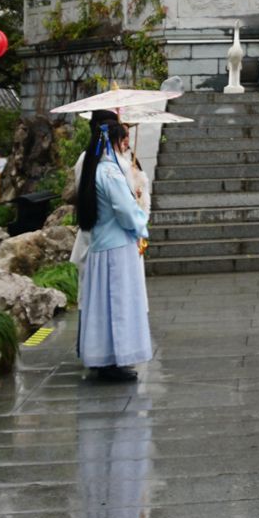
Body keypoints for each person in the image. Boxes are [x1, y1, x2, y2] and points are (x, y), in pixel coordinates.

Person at [74, 112, 153, 382]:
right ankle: (116, 357)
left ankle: (105, 356)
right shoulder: (109, 172)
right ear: (112, 141)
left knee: (102, 306)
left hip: (101, 245)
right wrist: (141, 223)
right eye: (122, 139)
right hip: (117, 248)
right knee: (118, 304)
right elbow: (125, 210)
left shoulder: (93, 169)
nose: (125, 145)